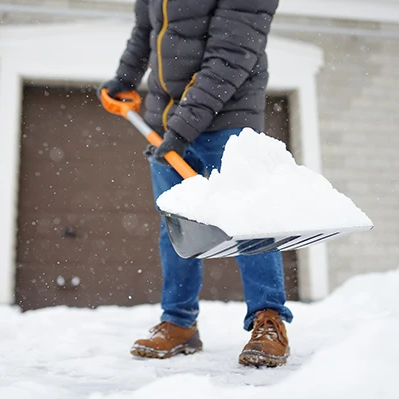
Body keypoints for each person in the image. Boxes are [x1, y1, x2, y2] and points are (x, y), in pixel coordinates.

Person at [97, 0, 293, 367]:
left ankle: (269, 320)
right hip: (166, 120)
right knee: (176, 225)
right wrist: (125, 78)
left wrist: (182, 127)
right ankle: (178, 321)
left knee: (250, 218)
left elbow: (231, 55)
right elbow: (146, 31)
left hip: (228, 116)